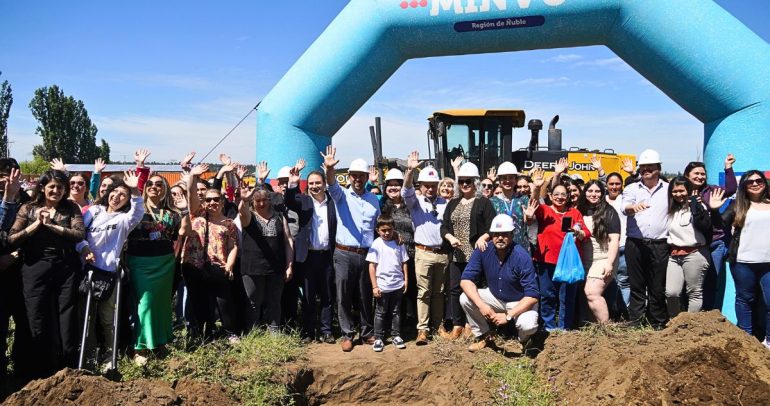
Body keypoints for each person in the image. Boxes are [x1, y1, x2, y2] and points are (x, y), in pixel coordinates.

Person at [9, 169, 85, 377]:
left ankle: (66, 368)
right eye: (52, 186)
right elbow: (12, 238)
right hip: (35, 266)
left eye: (60, 187)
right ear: (42, 188)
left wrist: (52, 226)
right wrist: (37, 224)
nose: (56, 190)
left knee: (66, 315)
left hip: (65, 266)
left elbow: (79, 235)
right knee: (36, 315)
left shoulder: (71, 208)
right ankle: (38, 371)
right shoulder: (29, 208)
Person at [126, 150, 189, 365]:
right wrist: (140, 166)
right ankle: (140, 347)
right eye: (151, 184)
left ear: (165, 190)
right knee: (144, 305)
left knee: (162, 304)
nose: (154, 187)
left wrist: (185, 210)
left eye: (159, 185)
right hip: (139, 263)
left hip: (165, 263)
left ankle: (161, 342)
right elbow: (132, 189)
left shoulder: (172, 213)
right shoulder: (135, 209)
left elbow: (184, 232)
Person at [77, 171, 145, 370]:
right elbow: (79, 235)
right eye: (115, 192)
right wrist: (84, 248)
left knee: (108, 319)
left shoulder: (125, 220)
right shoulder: (93, 211)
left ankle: (109, 353)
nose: (117, 196)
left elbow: (138, 212)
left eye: (122, 195)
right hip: (87, 271)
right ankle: (89, 355)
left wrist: (134, 190)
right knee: (87, 318)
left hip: (109, 273)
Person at [322, 146, 381, 352]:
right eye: (354, 175)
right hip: (344, 253)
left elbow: (379, 226)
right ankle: (347, 334)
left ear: (366, 177)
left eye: (361, 176)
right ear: (349, 177)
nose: (357, 179)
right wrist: (329, 168)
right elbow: (330, 184)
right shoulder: (342, 196)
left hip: (366, 254)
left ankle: (367, 333)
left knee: (366, 295)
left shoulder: (373, 199)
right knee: (343, 295)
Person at [460, 214, 539, 352]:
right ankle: (485, 336)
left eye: (505, 234)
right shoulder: (483, 250)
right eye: (496, 234)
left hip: (518, 300)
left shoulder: (522, 256)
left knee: (528, 325)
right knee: (465, 298)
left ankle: (524, 340)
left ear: (512, 235)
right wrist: (482, 305)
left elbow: (532, 295)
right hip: (496, 296)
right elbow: (465, 280)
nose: (500, 238)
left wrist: (508, 316)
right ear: (491, 235)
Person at [709, 171, 770, 348]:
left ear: (764, 183)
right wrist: (714, 210)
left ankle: (768, 340)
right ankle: (746, 338)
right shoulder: (738, 205)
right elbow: (720, 224)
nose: (755, 183)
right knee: (744, 299)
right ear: (744, 185)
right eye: (750, 181)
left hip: (768, 263)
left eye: (759, 180)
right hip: (743, 262)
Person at [441, 162, 495, 339]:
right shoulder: (453, 203)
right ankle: (457, 325)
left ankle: (471, 324)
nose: (465, 184)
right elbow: (444, 227)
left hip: (475, 255)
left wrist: (483, 237)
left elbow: (492, 227)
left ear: (475, 182)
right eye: (462, 181)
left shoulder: (483, 203)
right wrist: (450, 237)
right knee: (455, 289)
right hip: (457, 255)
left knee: (474, 289)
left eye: (468, 181)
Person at [285, 163, 337, 344]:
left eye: (318, 183)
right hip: (307, 256)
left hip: (327, 256)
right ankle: (308, 331)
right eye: (312, 183)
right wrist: (293, 183)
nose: (315, 186)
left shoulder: (333, 201)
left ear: (324, 183)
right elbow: (289, 201)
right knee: (307, 296)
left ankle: (327, 331)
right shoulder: (304, 201)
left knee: (327, 296)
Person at [530, 173, 589, 331]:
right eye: (556, 194)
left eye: (563, 194)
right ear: (550, 196)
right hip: (547, 262)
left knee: (567, 298)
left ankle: (564, 329)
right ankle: (549, 327)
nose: (560, 197)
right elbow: (533, 203)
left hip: (568, 264)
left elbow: (585, 233)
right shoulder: (545, 211)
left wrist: (578, 232)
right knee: (547, 296)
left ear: (568, 197)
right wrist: (536, 187)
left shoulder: (574, 213)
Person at [402, 151, 448, 345]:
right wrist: (410, 171)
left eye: (433, 185)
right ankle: (423, 329)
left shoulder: (445, 203)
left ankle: (439, 326)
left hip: (442, 253)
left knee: (439, 292)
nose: (430, 189)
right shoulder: (416, 203)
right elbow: (406, 191)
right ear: (420, 186)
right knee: (423, 292)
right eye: (427, 186)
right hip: (423, 252)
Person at [622, 149, 670, 330]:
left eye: (650, 167)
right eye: (643, 167)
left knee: (657, 286)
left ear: (658, 168)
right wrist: (633, 207)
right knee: (636, 285)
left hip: (660, 245)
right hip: (635, 243)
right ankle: (636, 321)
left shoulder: (667, 189)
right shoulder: (631, 188)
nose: (646, 170)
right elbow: (624, 206)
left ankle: (657, 321)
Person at [683, 154, 737, 310]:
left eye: (702, 174)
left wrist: (728, 167)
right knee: (691, 281)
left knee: (711, 280)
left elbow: (732, 189)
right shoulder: (680, 191)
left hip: (714, 243)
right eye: (696, 173)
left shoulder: (711, 190)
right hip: (691, 244)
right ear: (687, 175)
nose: (700, 177)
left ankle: (709, 315)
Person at [237, 184, 293, 333]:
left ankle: (274, 332)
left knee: (274, 302)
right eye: (257, 201)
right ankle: (252, 332)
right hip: (252, 268)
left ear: (269, 200)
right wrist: (244, 200)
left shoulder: (280, 216)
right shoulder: (249, 216)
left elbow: (288, 241)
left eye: (264, 200)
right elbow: (242, 213)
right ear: (253, 202)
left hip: (276, 268)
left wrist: (289, 264)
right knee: (253, 302)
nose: (261, 204)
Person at [189, 187, 240, 341]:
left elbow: (233, 246)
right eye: (208, 200)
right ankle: (205, 334)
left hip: (219, 267)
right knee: (201, 303)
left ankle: (230, 333)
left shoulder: (229, 223)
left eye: (216, 199)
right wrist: (192, 177)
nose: (212, 203)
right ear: (203, 203)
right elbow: (191, 197)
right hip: (197, 267)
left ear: (222, 202)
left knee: (224, 302)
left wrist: (230, 264)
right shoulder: (197, 217)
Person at [0, 160, 33, 382]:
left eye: (9, 175)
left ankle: (22, 369)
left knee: (25, 324)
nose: (5, 180)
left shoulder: (30, 203)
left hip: (24, 274)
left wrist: (17, 255)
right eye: (1, 175)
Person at [663, 177, 712, 318]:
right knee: (671, 292)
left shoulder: (698, 206)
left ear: (689, 191)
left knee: (694, 292)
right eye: (675, 191)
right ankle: (674, 323)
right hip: (675, 255)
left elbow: (705, 225)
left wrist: (696, 205)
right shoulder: (671, 210)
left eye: (682, 191)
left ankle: (691, 326)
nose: (678, 194)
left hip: (695, 253)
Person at [378, 167, 417, 334]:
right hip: (390, 257)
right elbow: (378, 227)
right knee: (391, 291)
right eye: (390, 185)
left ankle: (409, 324)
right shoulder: (383, 206)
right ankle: (389, 326)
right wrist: (393, 234)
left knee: (410, 290)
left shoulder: (411, 204)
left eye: (397, 184)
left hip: (412, 254)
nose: (393, 188)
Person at [577, 180, 621, 324]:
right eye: (590, 191)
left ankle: (605, 328)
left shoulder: (609, 212)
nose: (593, 194)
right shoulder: (579, 210)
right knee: (585, 297)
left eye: (597, 191)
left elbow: (614, 240)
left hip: (603, 259)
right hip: (583, 260)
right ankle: (592, 326)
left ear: (602, 194)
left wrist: (609, 263)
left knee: (592, 292)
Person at [367, 215, 409, 352]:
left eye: (389, 230)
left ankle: (396, 335)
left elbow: (404, 262)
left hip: (397, 284)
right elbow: (372, 266)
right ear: (378, 230)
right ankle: (379, 337)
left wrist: (406, 279)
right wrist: (374, 286)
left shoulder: (399, 243)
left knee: (396, 311)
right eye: (383, 230)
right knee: (380, 312)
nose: (386, 233)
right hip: (382, 286)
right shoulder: (376, 244)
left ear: (393, 230)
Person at [490, 162, 530, 252]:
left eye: (511, 178)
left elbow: (530, 221)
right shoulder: (492, 201)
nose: (507, 181)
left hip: (521, 247)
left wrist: (529, 217)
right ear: (499, 181)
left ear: (516, 180)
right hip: (500, 248)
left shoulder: (523, 199)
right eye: (504, 178)